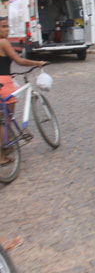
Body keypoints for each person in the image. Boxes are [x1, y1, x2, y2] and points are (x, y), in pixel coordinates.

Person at [0, 16, 47, 165]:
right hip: (3, 83)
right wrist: (37, 62)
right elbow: (19, 61)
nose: (7, 29)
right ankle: (2, 155)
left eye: (7, 26)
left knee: (2, 119)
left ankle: (7, 147)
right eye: (3, 27)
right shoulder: (3, 42)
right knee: (5, 121)